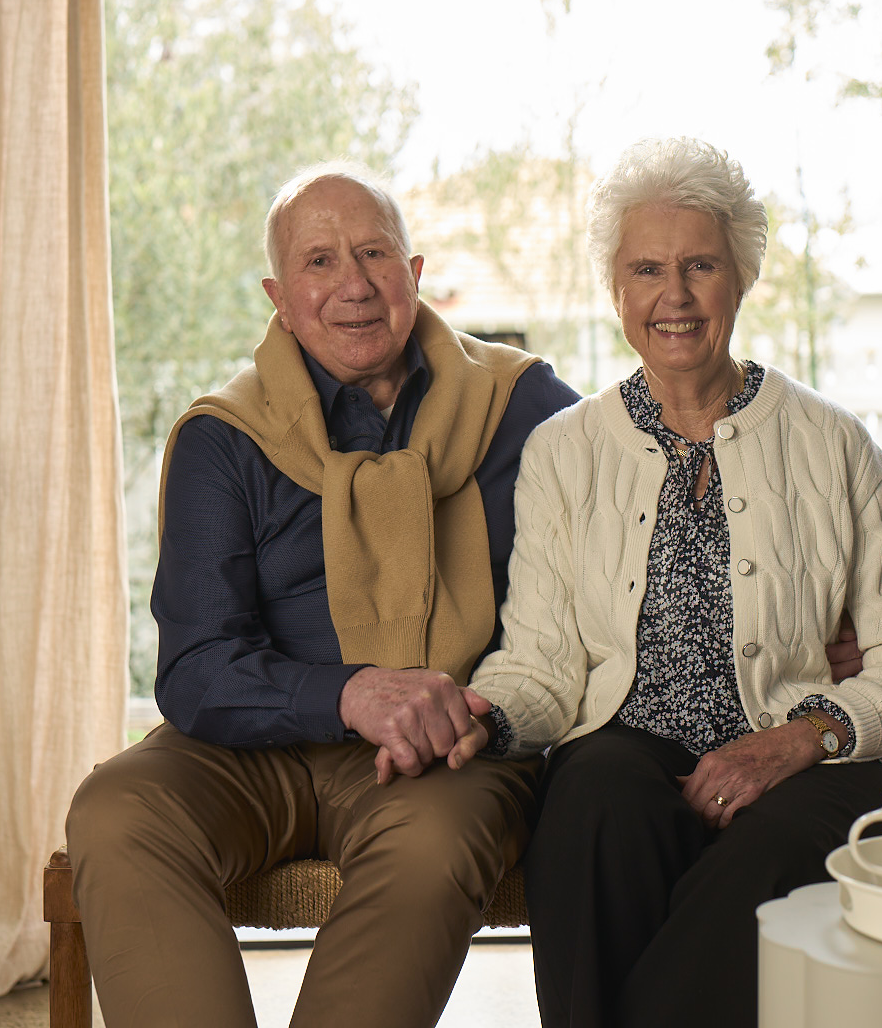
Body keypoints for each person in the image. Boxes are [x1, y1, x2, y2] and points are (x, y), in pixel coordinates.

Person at [460, 137, 882, 1028]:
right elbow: (539, 664)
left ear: (742, 278)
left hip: (812, 749)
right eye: (647, 269)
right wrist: (485, 716)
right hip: (631, 740)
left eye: (701, 265)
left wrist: (804, 735)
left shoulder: (835, 444)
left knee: (767, 849)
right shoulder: (564, 452)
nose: (675, 296)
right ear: (616, 288)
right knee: (591, 807)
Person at [65, 163, 581, 1028]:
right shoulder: (223, 437)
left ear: (413, 274)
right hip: (252, 750)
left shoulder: (518, 403)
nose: (352, 285)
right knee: (116, 810)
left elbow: (640, 504)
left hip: (442, 749)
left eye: (374, 253)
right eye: (319, 261)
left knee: (434, 845)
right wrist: (347, 694)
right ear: (279, 294)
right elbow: (195, 667)